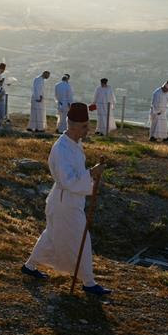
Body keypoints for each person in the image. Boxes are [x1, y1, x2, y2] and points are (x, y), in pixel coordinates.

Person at [22, 102, 110, 296]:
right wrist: (91, 174)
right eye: (84, 126)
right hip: (65, 203)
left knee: (51, 235)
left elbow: (76, 175)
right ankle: (88, 282)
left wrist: (90, 174)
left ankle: (29, 266)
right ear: (72, 126)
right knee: (81, 240)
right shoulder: (61, 149)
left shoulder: (74, 144)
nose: (88, 130)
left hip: (66, 201)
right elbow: (68, 181)